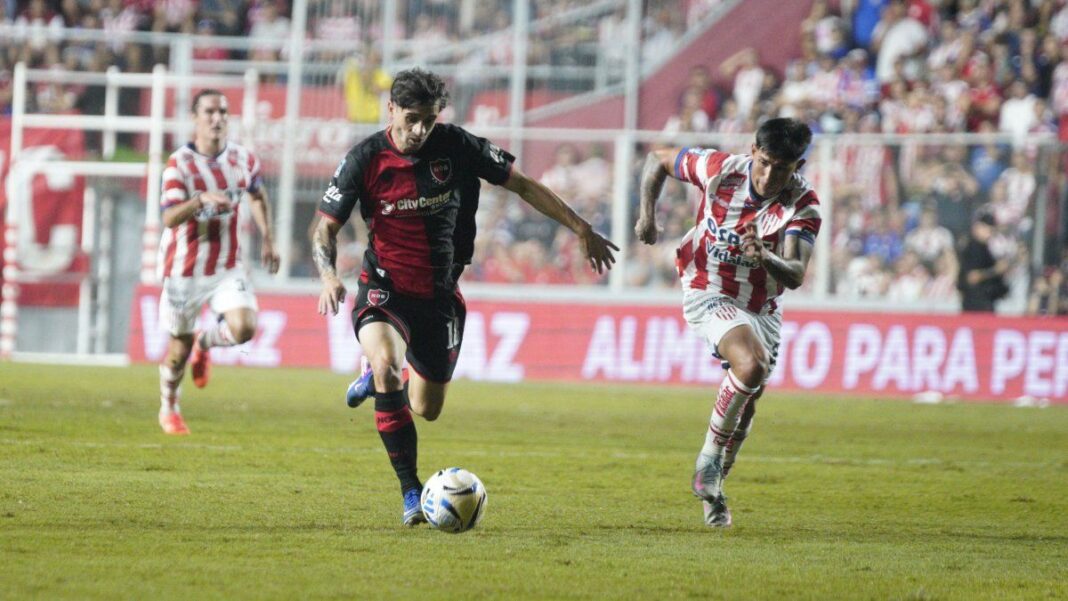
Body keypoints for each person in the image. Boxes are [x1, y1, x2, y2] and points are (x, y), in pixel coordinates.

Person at [312, 68, 617, 526]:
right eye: (411, 119)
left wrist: (581, 229)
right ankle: (411, 491)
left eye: (429, 121)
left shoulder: (458, 146)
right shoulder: (364, 159)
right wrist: (328, 274)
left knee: (426, 409)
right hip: (384, 287)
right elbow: (324, 228)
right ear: (391, 109)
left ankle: (377, 378)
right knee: (388, 368)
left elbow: (524, 185)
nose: (419, 130)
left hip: (440, 294)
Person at [634, 118, 821, 528]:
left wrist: (766, 258)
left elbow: (795, 273)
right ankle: (707, 461)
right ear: (753, 150)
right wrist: (646, 216)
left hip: (762, 305)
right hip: (708, 287)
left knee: (747, 404)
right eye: (766, 162)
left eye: (783, 169)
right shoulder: (719, 168)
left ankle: (713, 488)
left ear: (798, 166)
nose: (770, 176)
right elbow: (657, 160)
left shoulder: (802, 204)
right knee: (750, 365)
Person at [156, 89, 280, 435]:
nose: (217, 118)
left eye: (223, 112)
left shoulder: (243, 159)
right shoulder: (178, 164)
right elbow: (168, 217)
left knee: (244, 327)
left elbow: (256, 194)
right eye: (209, 111)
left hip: (227, 266)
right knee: (176, 352)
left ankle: (205, 343)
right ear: (195, 117)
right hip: (185, 270)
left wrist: (268, 237)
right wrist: (198, 202)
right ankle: (169, 407)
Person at [957, 210, 1011, 312]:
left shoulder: (986, 249)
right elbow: (972, 277)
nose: (990, 231)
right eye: (987, 227)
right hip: (975, 306)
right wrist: (996, 270)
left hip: (986, 303)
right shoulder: (973, 248)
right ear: (977, 227)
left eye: (992, 228)